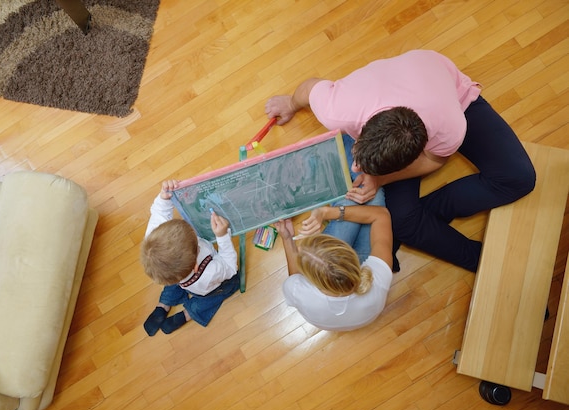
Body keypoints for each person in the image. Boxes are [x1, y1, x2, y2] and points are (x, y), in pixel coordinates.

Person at [265, 49, 535, 272]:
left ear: (409, 159)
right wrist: (290, 102)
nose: (355, 168)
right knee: (404, 220)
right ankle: (474, 256)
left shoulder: (451, 126)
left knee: (519, 178)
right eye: (358, 159)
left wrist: (379, 179)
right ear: (359, 136)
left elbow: (434, 160)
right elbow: (310, 86)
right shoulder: (338, 108)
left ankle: (417, 220)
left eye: (361, 166)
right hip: (411, 83)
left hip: (450, 97)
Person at [140, 179, 239, 336]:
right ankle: (188, 314)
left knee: (172, 280)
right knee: (225, 288)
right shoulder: (210, 272)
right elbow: (230, 267)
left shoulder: (154, 238)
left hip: (181, 280)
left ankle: (163, 305)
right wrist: (222, 236)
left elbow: (159, 213)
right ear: (195, 265)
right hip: (203, 286)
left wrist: (164, 197)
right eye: (197, 244)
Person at [274, 203, 393, 331]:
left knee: (360, 204)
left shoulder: (298, 291)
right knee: (372, 201)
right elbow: (381, 215)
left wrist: (287, 238)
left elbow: (295, 278)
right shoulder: (378, 279)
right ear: (350, 253)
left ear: (313, 281)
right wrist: (325, 212)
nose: (300, 248)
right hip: (365, 309)